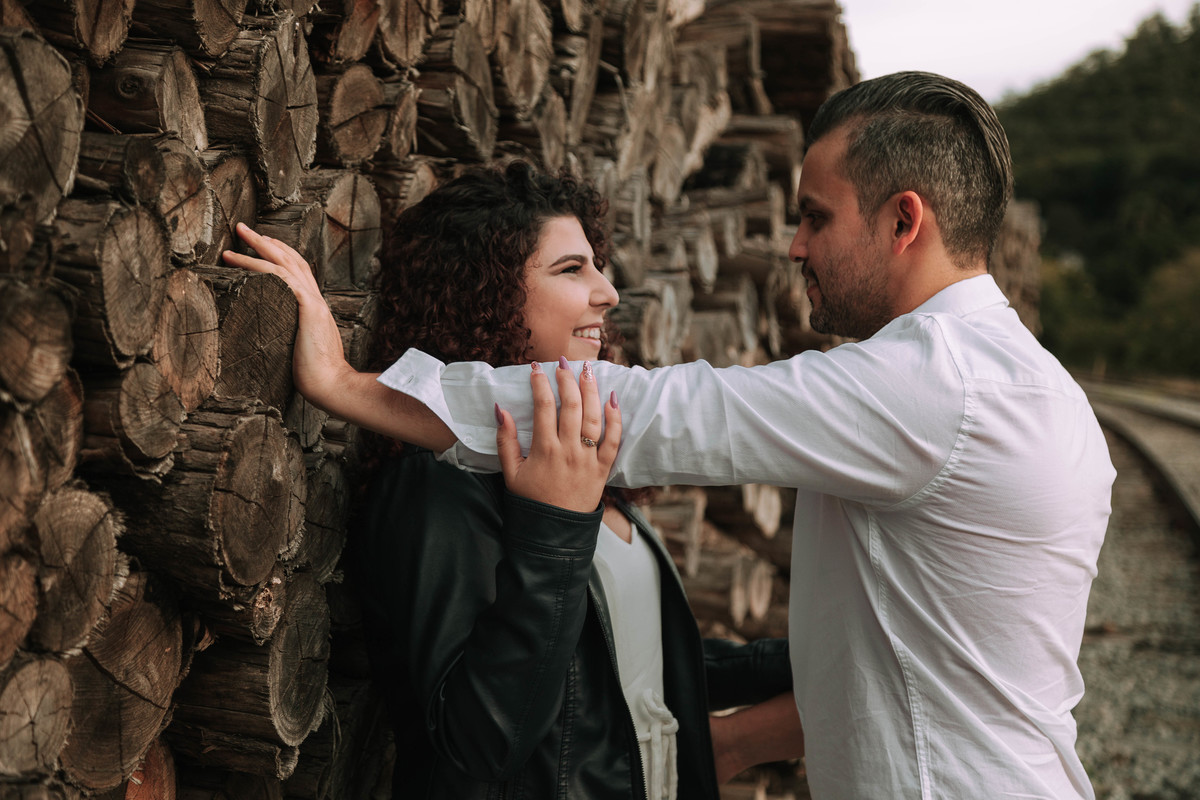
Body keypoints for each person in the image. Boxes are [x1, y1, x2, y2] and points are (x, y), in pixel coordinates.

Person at [232, 71, 1117, 798]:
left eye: (816, 216)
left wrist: (348, 385)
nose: (795, 246)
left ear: (903, 221)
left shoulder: (934, 385)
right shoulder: (1036, 386)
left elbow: (662, 411)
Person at [225, 162, 797, 799]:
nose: (608, 292)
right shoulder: (434, 488)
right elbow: (483, 740)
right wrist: (555, 530)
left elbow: (622, 658)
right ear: (487, 294)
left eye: (598, 266)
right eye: (572, 269)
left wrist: (799, 661)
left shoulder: (577, 468)